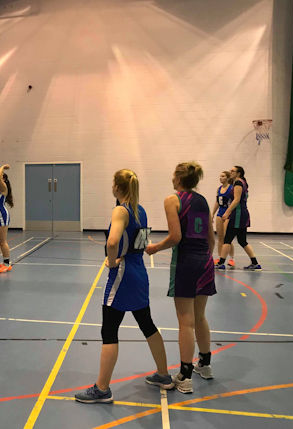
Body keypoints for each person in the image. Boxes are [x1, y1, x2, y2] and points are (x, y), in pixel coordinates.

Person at [75, 170, 173, 404]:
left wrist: (111, 261)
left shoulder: (120, 210)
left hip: (122, 276)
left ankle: (102, 389)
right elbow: (140, 242)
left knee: (109, 331)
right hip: (139, 273)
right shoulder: (141, 210)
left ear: (117, 187)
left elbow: (112, 241)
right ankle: (164, 375)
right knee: (147, 325)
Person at [145, 162, 216, 394]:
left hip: (185, 262)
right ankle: (204, 364)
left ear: (177, 178)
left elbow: (175, 236)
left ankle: (185, 376)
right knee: (200, 316)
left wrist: (155, 247)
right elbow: (210, 237)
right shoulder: (203, 200)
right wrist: (206, 258)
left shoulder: (172, 200)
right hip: (205, 260)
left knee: (185, 321)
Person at [215, 166, 261, 271]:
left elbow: (236, 200)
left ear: (238, 173)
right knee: (242, 240)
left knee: (227, 239)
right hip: (242, 214)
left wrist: (227, 212)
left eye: (233, 171)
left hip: (238, 215)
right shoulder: (242, 182)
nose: (230, 172)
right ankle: (255, 263)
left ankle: (221, 263)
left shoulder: (238, 183)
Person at [211, 171, 235, 267]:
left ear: (228, 178)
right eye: (220, 176)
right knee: (220, 237)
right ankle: (220, 258)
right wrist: (212, 213)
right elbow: (218, 202)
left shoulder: (232, 189)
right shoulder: (219, 189)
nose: (220, 178)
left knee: (227, 237)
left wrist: (229, 212)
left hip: (228, 213)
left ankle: (231, 259)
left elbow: (235, 202)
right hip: (220, 213)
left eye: (223, 176)